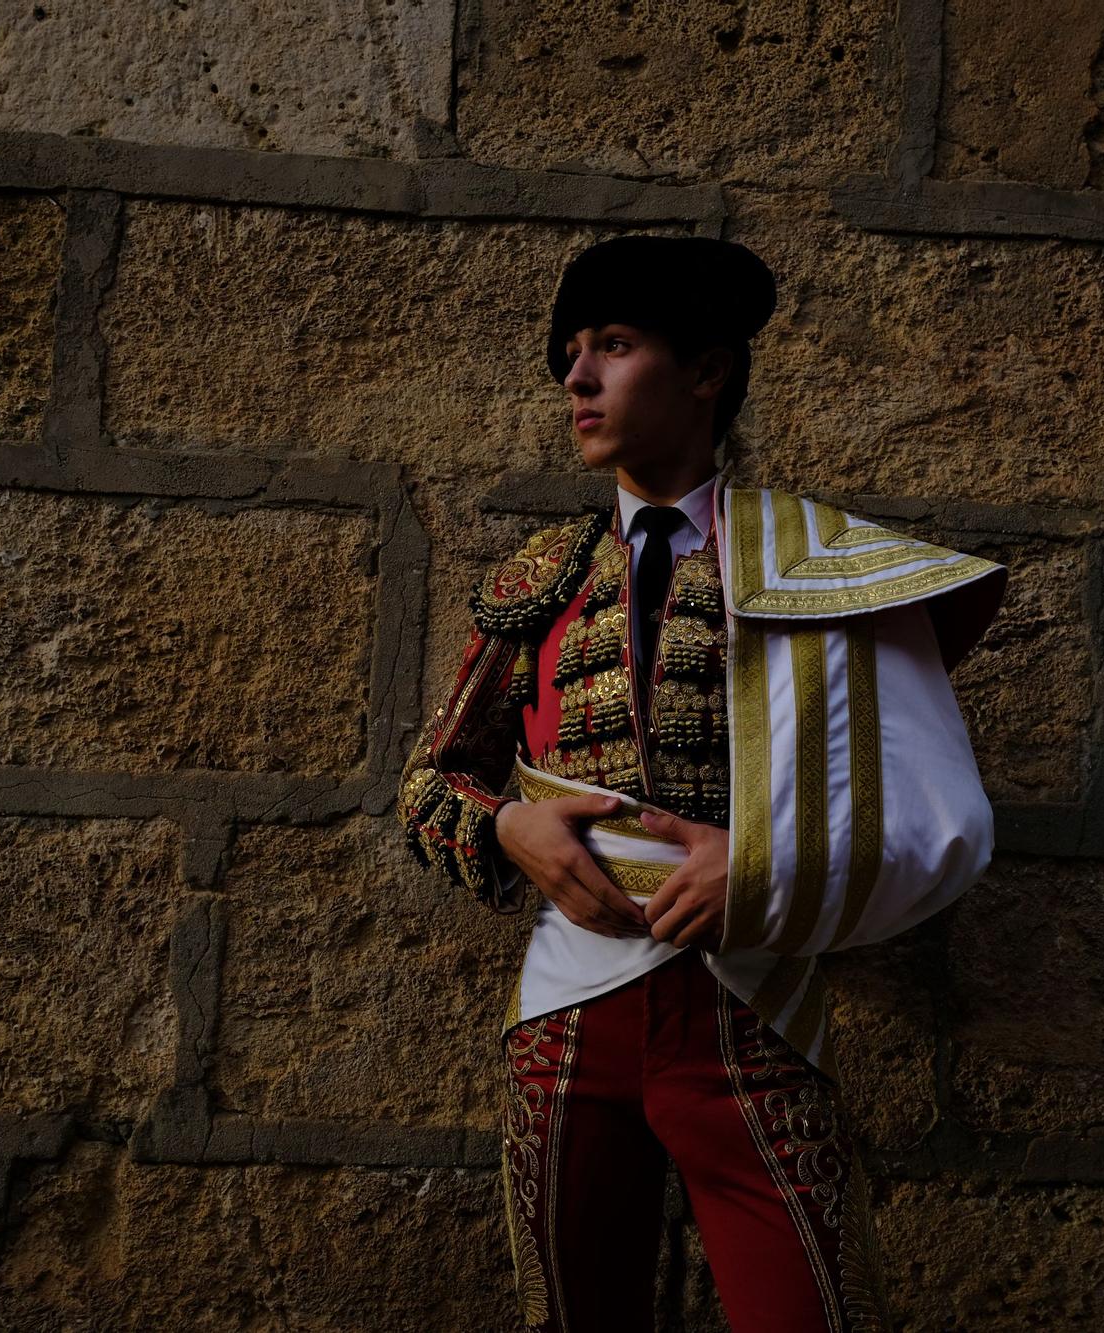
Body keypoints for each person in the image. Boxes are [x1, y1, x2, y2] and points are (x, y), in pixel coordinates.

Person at [396, 234, 1006, 1332]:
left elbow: (943, 815)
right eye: (570, 352)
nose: (575, 378)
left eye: (614, 347)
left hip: (751, 1011)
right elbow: (433, 783)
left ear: (708, 370)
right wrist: (510, 832)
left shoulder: (822, 563)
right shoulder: (539, 580)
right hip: (565, 1021)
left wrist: (768, 868)